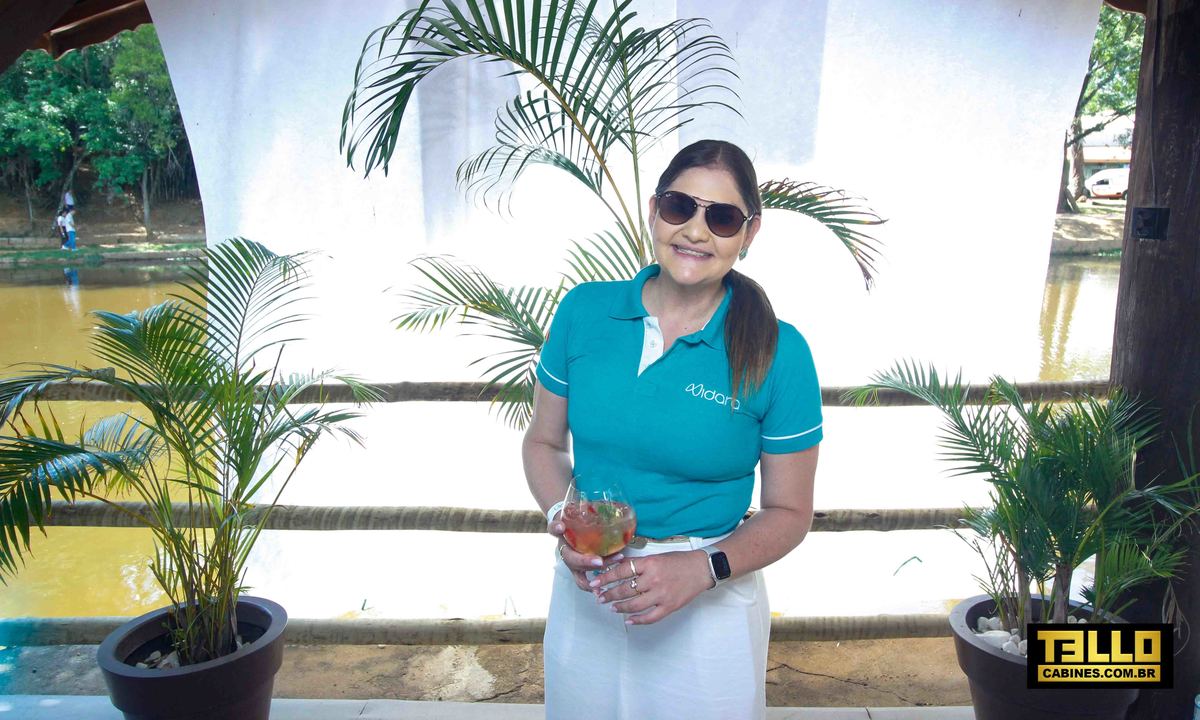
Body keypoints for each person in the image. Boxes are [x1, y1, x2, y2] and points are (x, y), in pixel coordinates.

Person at [523, 139, 822, 720]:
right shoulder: (584, 312)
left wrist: (702, 567)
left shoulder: (781, 352)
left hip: (708, 605)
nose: (695, 230)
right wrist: (565, 519)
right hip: (591, 589)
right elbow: (543, 442)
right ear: (654, 210)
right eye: (680, 206)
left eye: (722, 217)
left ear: (749, 233)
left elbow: (790, 513)